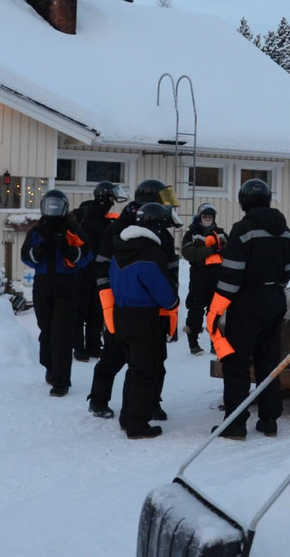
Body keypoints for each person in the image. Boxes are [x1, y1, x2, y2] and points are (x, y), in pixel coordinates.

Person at [207, 178, 290, 440]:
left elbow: (231, 276)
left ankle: (235, 424)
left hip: (246, 303)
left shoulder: (242, 230)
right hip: (274, 299)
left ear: (244, 201)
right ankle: (269, 421)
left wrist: (216, 311)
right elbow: (289, 270)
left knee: (236, 362)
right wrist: (274, 287)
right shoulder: (284, 230)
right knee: (269, 360)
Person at [87, 179, 180, 421]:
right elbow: (102, 267)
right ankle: (98, 400)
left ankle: (151, 402)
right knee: (114, 355)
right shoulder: (121, 228)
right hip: (124, 303)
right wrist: (109, 302)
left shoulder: (161, 230)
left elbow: (170, 267)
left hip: (156, 305)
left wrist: (171, 303)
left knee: (156, 358)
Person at [110, 202, 181, 439]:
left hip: (121, 315)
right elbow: (165, 296)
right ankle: (137, 425)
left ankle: (127, 417)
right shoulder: (150, 254)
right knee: (146, 372)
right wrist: (173, 298)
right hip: (144, 319)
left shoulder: (120, 248)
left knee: (134, 369)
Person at [20, 189, 91, 396]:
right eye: (49, 205)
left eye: (56, 205)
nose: (52, 209)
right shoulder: (37, 231)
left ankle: (62, 380)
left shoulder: (74, 230)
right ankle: (50, 368)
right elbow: (27, 257)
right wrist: (44, 247)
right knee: (46, 330)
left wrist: (67, 247)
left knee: (62, 333)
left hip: (67, 284)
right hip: (43, 284)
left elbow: (86, 256)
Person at [73, 181, 127, 361]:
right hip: (83, 270)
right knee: (80, 310)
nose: (113, 201)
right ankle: (79, 348)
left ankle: (94, 346)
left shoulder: (108, 218)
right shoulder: (86, 212)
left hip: (101, 269)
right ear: (104, 196)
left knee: (97, 309)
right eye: (111, 197)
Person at [181, 203, 227, 355]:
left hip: (217, 278)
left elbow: (231, 251)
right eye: (205, 216)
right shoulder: (192, 233)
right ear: (200, 217)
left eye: (210, 217)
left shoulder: (220, 234)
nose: (207, 219)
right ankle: (193, 342)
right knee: (195, 311)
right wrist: (212, 249)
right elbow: (189, 253)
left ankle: (216, 343)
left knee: (217, 312)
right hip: (199, 279)